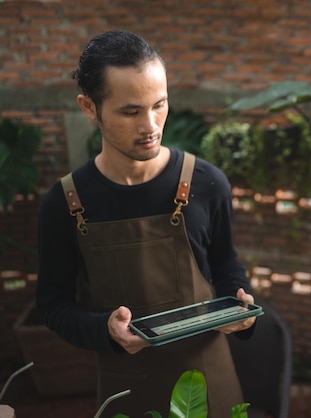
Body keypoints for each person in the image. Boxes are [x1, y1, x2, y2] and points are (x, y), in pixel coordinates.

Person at [36, 29, 256, 417]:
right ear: (89, 107)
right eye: (131, 111)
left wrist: (239, 304)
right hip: (127, 389)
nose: (151, 125)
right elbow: (52, 306)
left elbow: (225, 266)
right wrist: (104, 329)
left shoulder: (206, 183)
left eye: (160, 105)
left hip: (210, 382)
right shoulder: (64, 204)